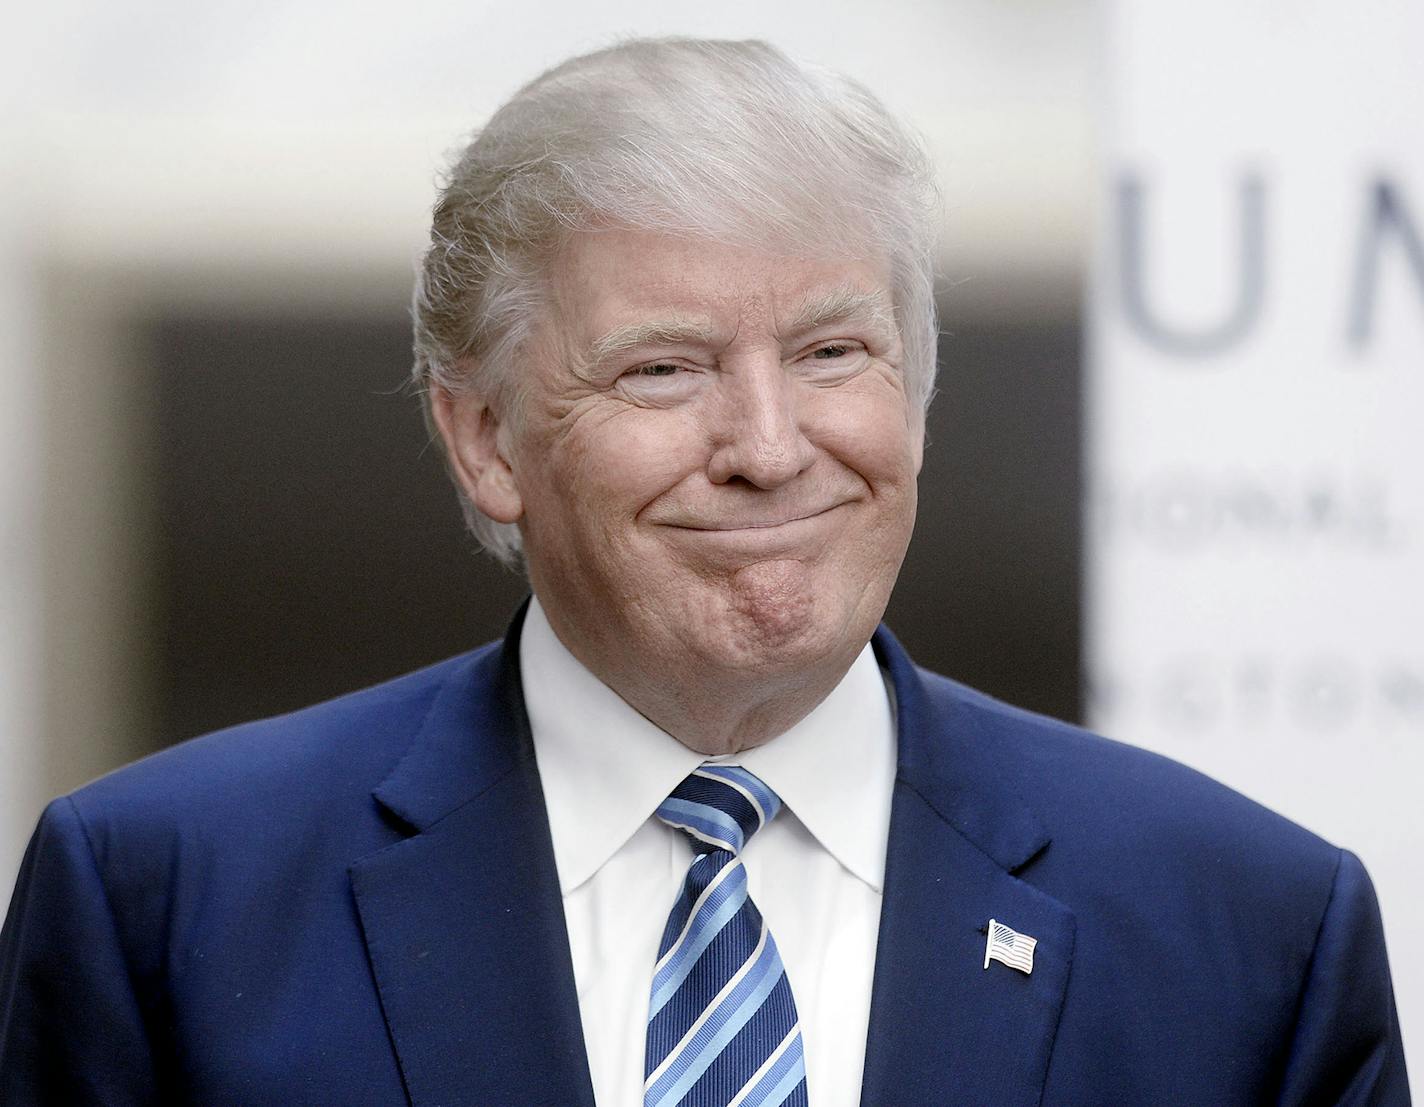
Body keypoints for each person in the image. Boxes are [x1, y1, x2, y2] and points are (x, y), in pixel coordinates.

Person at [0, 36, 1409, 1107]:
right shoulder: (169, 905)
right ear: (485, 438)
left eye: (832, 352)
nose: (768, 445)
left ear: (915, 392)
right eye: (665, 368)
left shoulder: (1248, 934)